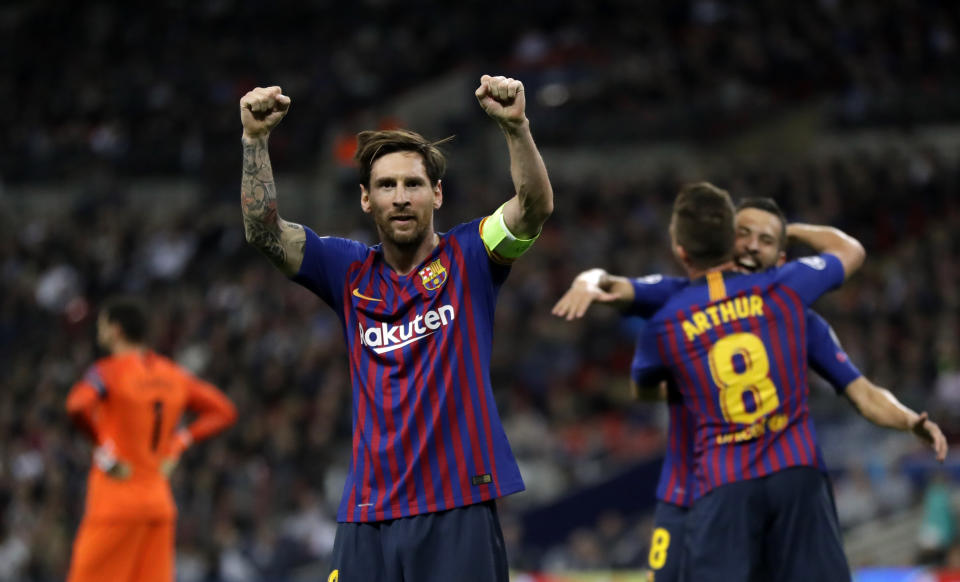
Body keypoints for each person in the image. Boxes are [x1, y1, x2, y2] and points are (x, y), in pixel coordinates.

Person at [238, 75, 553, 582]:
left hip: (457, 506)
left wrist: (516, 127)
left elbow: (534, 208)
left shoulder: (471, 253)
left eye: (413, 184)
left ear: (438, 194)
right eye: (387, 186)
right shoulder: (346, 270)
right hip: (367, 512)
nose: (401, 197)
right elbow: (264, 234)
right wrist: (255, 142)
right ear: (366, 199)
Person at [560, 196, 949, 581]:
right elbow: (609, 285)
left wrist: (906, 418)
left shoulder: (776, 311)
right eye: (742, 233)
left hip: (726, 487)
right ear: (723, 241)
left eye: (766, 240)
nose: (751, 245)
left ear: (781, 258)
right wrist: (586, 279)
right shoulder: (692, 294)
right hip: (691, 493)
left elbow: (862, 391)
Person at [65, 297, 238, 582]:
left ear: (116, 329)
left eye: (102, 325)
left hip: (115, 504)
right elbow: (224, 411)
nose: (99, 332)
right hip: (158, 506)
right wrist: (179, 443)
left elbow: (76, 406)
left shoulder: (107, 372)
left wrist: (102, 449)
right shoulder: (172, 374)